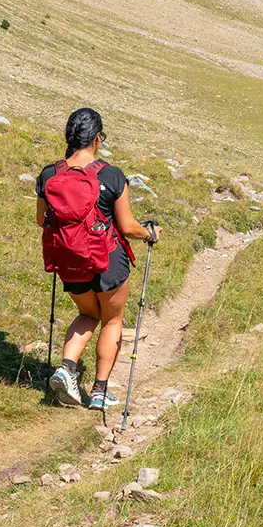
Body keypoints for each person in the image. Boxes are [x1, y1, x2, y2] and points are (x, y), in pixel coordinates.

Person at [36, 107, 157, 410]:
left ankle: (66, 368)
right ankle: (100, 392)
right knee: (112, 320)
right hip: (108, 262)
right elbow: (127, 227)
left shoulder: (50, 174)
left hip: (70, 262)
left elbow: (42, 220)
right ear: (97, 139)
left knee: (88, 315)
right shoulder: (112, 175)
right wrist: (150, 233)